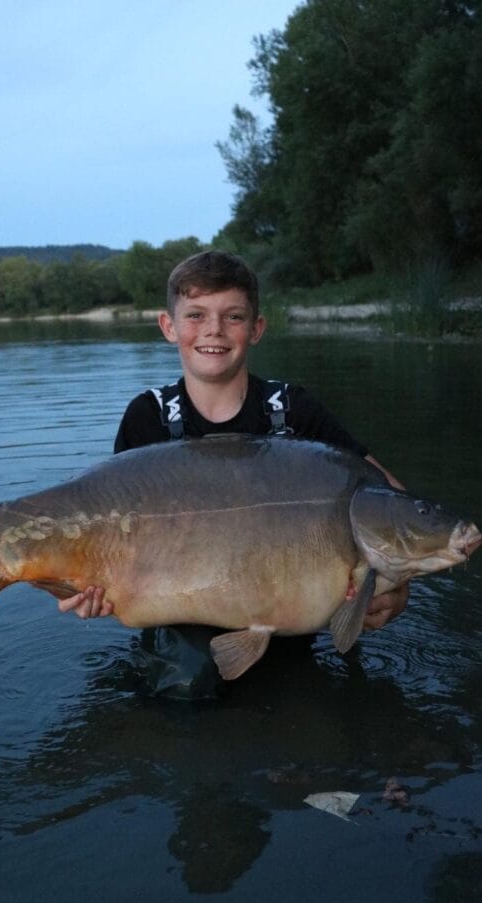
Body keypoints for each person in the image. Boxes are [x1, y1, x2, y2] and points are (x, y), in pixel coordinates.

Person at [58, 251, 408, 690]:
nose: (213, 330)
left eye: (233, 317)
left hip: (294, 613)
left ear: (256, 328)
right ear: (169, 327)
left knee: (307, 698)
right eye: (196, 315)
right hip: (189, 621)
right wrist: (91, 584)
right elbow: (112, 528)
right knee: (188, 683)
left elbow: (388, 497)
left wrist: (397, 583)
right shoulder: (147, 416)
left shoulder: (294, 409)